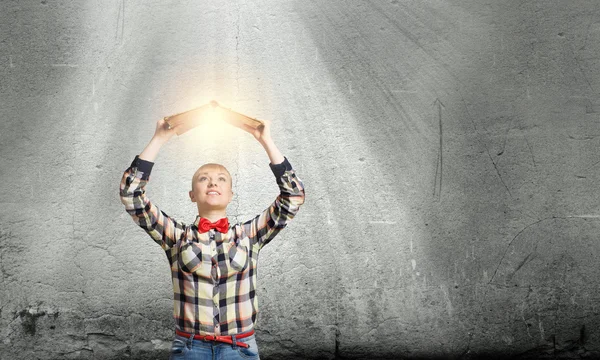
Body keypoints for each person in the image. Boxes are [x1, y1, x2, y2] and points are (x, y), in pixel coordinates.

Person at [119, 114, 305, 359]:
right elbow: (131, 193)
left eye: (221, 179)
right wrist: (159, 138)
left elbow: (293, 197)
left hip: (240, 349)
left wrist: (266, 141)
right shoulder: (176, 237)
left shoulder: (249, 236)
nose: (212, 183)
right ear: (192, 194)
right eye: (203, 179)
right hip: (189, 348)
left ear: (230, 194)